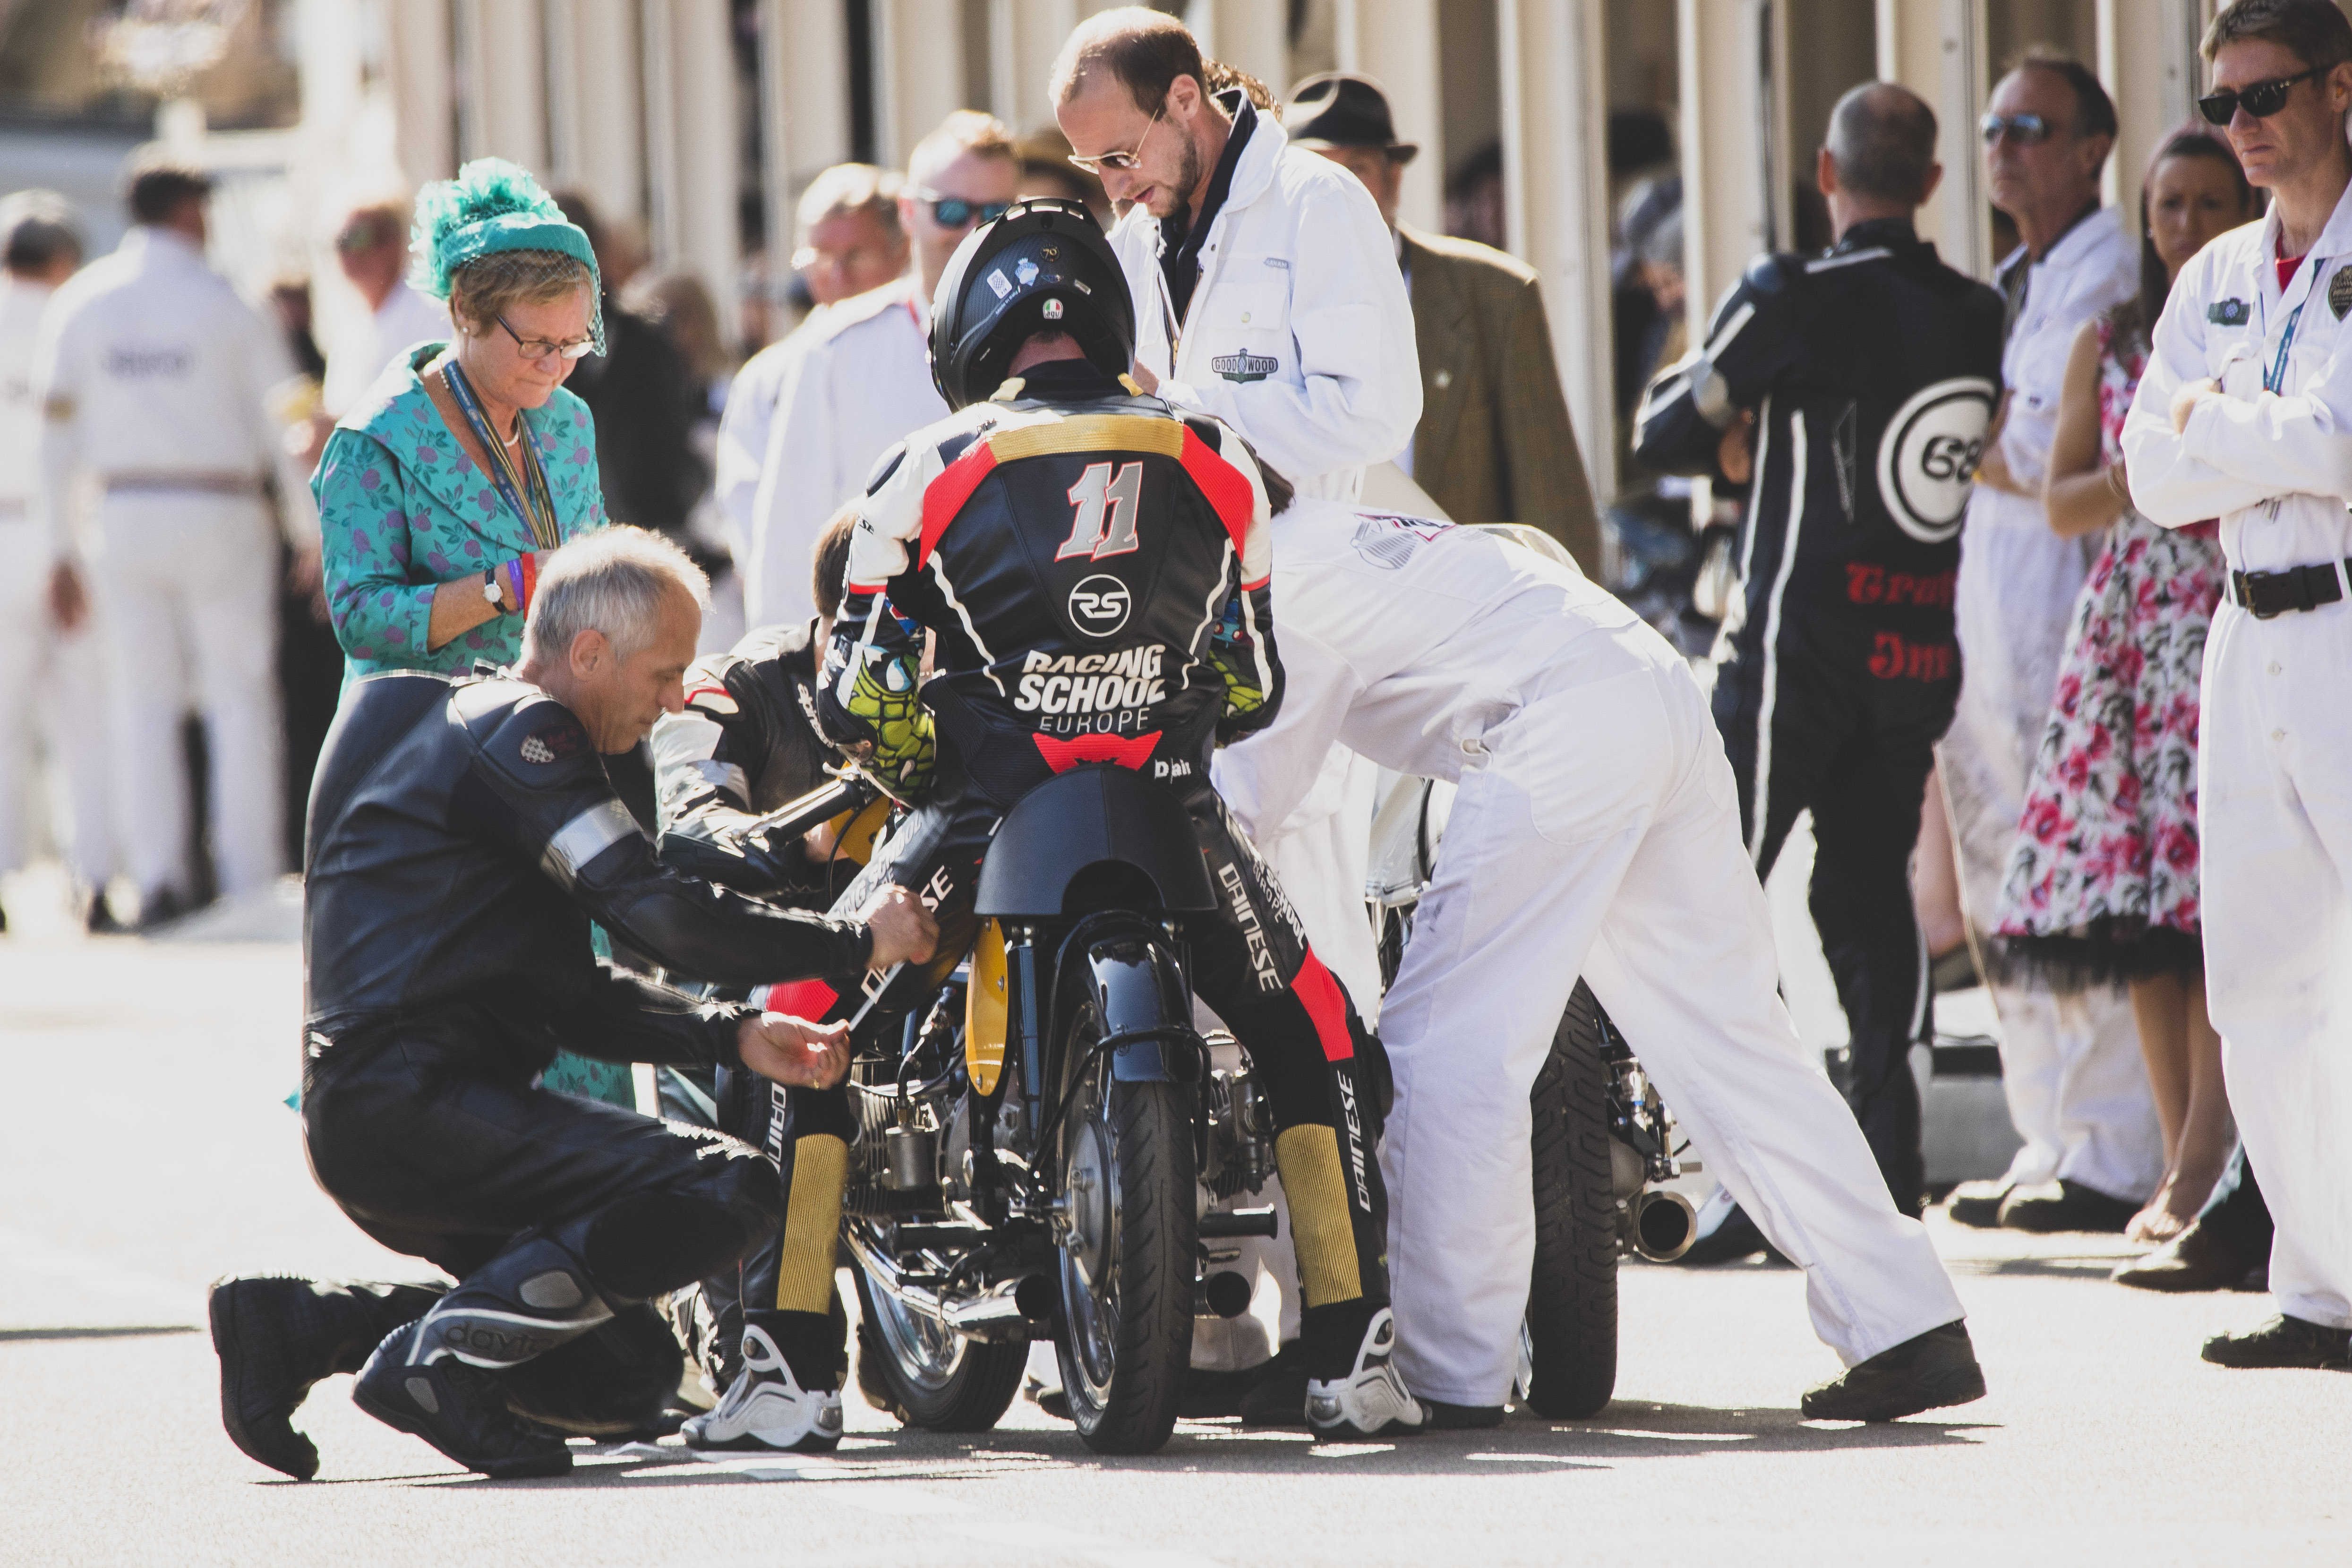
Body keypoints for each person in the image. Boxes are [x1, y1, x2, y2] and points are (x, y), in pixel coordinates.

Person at [686, 199, 1425, 1452]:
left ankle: (785, 1370)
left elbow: (853, 696)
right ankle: (1355, 1356)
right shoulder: (1219, 454)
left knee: (803, 1013)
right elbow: (1252, 681)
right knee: (1316, 1029)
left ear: (972, 334)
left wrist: (930, 759)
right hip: (1171, 808)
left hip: (981, 812)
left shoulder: (925, 465)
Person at [1227, 490, 1985, 1423]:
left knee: (1445, 1041)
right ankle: (1905, 1320)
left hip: (1561, 724)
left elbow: (1243, 801)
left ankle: (1443, 1368)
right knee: (1736, 1039)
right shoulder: (1346, 529)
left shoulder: (1281, 585)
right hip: (1652, 685)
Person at [206, 527, 939, 1481]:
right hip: (416, 1104)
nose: (673, 701)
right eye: (663, 674)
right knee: (731, 1185)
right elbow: (657, 912)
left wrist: (733, 1032)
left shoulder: (447, 723)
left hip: (381, 1110)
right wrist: (853, 940)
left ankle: (302, 1322)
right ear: (588, 653)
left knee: (625, 1376)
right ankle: (439, 1362)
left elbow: (571, 997)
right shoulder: (526, 730)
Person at [1632, 84, 2006, 1257]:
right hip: (1910, 648)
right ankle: (1886, 1178)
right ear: (1933, 183)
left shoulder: (1790, 292)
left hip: (1790, 652)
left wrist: (1751, 423)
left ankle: (1753, 1176)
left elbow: (1662, 429)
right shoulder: (1976, 313)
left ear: (1825, 174)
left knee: (1710, 889)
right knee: (1865, 899)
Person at [1055, 8, 1418, 1013]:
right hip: (1174, 622)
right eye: (1092, 167)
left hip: (1304, 607)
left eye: (1121, 155)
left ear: (1185, 100)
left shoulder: (1316, 203)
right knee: (1204, 927)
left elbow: (1374, 408)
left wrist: (1180, 415)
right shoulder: (1135, 239)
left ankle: (1352, 1106)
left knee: (1308, 923)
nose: (1113, 186)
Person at [2122, 0, 2352, 1371]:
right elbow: (2150, 472)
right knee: (2260, 977)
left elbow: (2343, 446)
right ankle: (2320, 1285)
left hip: (2346, 620)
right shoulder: (2215, 269)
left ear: (2339, 88)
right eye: (2223, 105)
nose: (2242, 126)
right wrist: (2254, 434)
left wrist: (2215, 422)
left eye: (2265, 96)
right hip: (2245, 626)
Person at [1993, 126, 2254, 1244]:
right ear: (2144, 220)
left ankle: (2208, 1161)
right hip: (2130, 635)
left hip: (2226, 617)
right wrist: (2140, 472)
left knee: (2210, 909)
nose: (2185, 224)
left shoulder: (2258, 322)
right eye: (2168, 205)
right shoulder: (2112, 339)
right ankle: (2171, 1158)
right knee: (2143, 914)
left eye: (2207, 203)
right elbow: (2057, 501)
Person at [1940, 53, 2164, 1236]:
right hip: (1980, 611)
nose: (2003, 147)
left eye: (2028, 127)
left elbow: (2032, 455)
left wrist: (1944, 431)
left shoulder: (2107, 276)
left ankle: (2113, 1148)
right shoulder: (2010, 279)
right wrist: (1962, 435)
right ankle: (2046, 1134)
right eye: (1992, 127)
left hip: (2063, 613)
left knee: (2078, 875)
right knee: (2000, 882)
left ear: (2089, 150)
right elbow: (1987, 443)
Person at [33, 156, 318, 930]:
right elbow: (287, 420)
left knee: (140, 700)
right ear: (190, 212)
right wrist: (311, 529)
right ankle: (249, 879)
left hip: (122, 512)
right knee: (240, 695)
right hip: (221, 508)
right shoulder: (230, 302)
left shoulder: (83, 303)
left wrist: (60, 549)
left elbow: (52, 444)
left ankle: (159, 876)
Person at [1284, 70, 1603, 574]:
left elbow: (1552, 503)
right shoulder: (1257, 304)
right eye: (1318, 172)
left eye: (1356, 169)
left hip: (1464, 602)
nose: (1338, 191)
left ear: (1394, 180)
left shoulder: (1496, 296)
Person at [312, 158, 609, 684]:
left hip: (552, 718)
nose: (554, 367)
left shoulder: (569, 420)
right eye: (535, 343)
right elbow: (359, 619)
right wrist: (506, 584)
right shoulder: (375, 439)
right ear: (465, 309)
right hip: (429, 727)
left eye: (572, 344)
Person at [742, 116, 1020, 628]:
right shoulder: (837, 347)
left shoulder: (1050, 338)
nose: (973, 230)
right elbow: (789, 537)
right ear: (910, 213)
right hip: (878, 647)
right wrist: (798, 661)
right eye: (952, 211)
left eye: (996, 213)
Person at [0, 191, 113, 934]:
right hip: (72, 534)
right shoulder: (77, 318)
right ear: (63, 259)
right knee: (86, 720)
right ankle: (95, 877)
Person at [712, 164, 907, 583]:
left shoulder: (926, 355)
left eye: (857, 255)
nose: (838, 275)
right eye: (821, 255)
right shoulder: (765, 379)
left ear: (901, 251)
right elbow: (750, 517)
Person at [551, 190, 706, 569]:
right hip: (571, 547)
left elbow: (666, 461)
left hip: (637, 545)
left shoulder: (640, 340)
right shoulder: (520, 346)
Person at [319, 199, 450, 420]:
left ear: (393, 243)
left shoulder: (433, 311)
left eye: (358, 237)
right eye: (341, 242)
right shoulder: (348, 335)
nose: (348, 252)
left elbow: (443, 405)